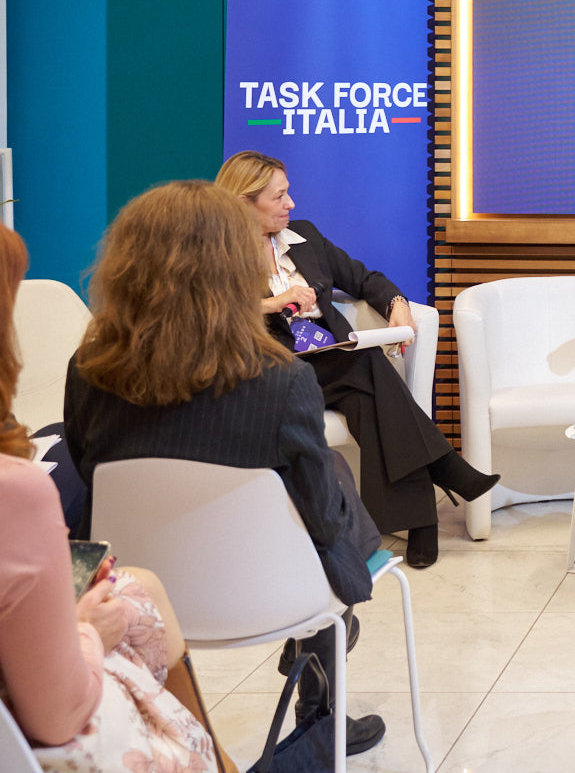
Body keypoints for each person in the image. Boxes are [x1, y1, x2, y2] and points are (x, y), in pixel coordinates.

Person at [64, 181, 388, 756]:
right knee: (336, 493)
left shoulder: (87, 370)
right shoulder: (282, 380)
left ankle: (312, 673)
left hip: (132, 596)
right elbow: (322, 522)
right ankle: (322, 698)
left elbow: (91, 472)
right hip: (271, 595)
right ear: (234, 268)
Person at [0, 221, 226, 773]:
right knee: (125, 613)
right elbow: (56, 714)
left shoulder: (85, 370)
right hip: (38, 727)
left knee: (139, 586)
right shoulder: (18, 491)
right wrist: (83, 629)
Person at [215, 151, 497, 568]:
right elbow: (208, 313)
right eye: (278, 197)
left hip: (328, 363)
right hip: (269, 370)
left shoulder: (303, 237)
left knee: (366, 392)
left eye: (288, 192)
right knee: (365, 362)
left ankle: (420, 521)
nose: (291, 203)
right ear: (243, 203)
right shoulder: (215, 251)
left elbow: (365, 279)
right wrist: (274, 302)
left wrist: (397, 304)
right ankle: (443, 467)